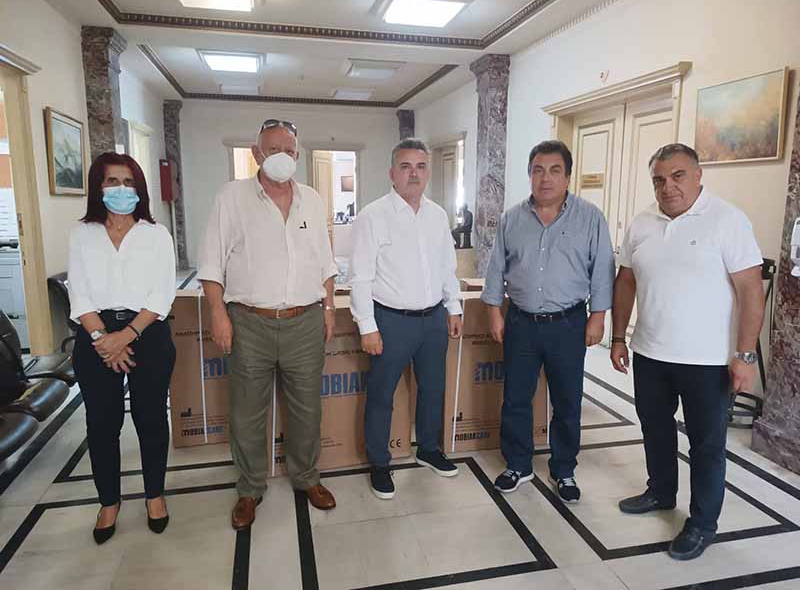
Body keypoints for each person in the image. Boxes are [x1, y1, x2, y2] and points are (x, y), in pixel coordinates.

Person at [611, 143, 764, 560]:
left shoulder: (727, 220)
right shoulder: (642, 222)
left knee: (706, 445)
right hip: (650, 352)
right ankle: (661, 491)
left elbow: (751, 289)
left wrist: (745, 355)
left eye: (677, 176)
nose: (668, 187)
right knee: (655, 428)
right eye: (659, 180)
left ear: (698, 176)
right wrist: (619, 337)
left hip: (707, 362)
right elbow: (626, 281)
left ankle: (702, 523)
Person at [199, 118, 338, 529]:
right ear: (256, 152)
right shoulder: (232, 197)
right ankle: (249, 488)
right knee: (246, 412)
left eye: (290, 151)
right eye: (273, 149)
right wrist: (218, 313)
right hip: (249, 323)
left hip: (305, 321)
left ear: (298, 155)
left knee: (306, 409)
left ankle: (306, 477)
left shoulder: (312, 199)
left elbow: (325, 261)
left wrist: (329, 309)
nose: (283, 156)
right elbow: (211, 262)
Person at [481, 140, 615, 501]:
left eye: (555, 170)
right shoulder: (512, 219)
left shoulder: (590, 218)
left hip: (568, 323)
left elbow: (602, 271)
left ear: (567, 177)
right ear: (529, 174)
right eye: (538, 170)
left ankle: (564, 469)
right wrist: (494, 313)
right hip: (521, 323)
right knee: (516, 398)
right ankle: (518, 464)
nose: (546, 178)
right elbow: (496, 269)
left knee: (567, 400)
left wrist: (598, 318)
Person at [68, 152, 176, 544]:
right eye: (112, 181)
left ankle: (155, 496)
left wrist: (125, 335)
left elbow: (162, 293)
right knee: (101, 423)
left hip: (147, 332)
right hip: (95, 335)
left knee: (150, 419)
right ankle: (109, 502)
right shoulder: (82, 234)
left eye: (128, 182)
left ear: (139, 189)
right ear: (98, 187)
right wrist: (102, 339)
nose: (121, 189)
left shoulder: (156, 234)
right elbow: (78, 292)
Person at [348, 137, 463, 500]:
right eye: (406, 166)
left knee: (433, 388)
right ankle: (379, 463)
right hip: (391, 321)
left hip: (433, 320)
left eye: (421, 166)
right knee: (382, 394)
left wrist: (454, 307)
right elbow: (360, 276)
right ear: (392, 173)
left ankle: (428, 449)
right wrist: (367, 326)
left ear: (428, 172)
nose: (414, 174)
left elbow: (447, 266)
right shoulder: (373, 216)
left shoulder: (437, 215)